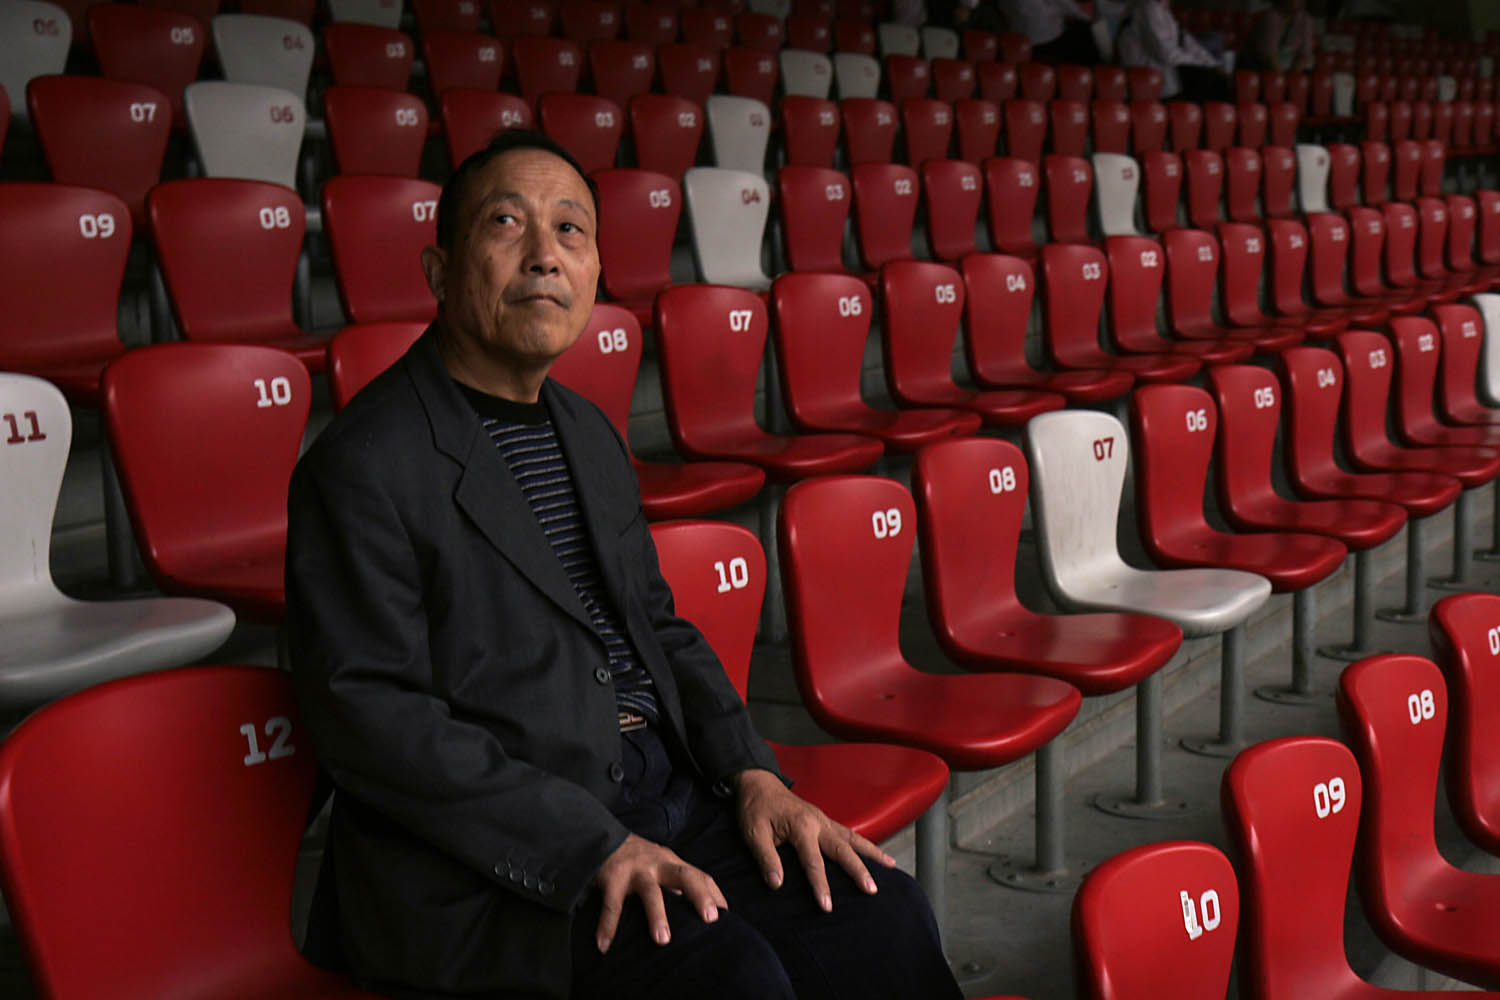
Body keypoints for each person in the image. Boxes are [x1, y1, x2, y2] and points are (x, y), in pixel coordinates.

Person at [285, 129, 963, 1000]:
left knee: (882, 914)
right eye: (506, 223)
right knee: (728, 978)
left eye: (571, 230)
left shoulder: (586, 433)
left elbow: (662, 629)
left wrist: (755, 772)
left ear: (599, 273)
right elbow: (372, 719)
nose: (544, 254)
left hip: (664, 797)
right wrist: (588, 841)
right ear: (438, 268)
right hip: (490, 856)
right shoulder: (364, 463)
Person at [1114, 0, 1231, 101]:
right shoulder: (1146, 7)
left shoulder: (1162, 8)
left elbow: (1185, 40)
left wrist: (1212, 63)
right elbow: (1168, 54)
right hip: (1146, 84)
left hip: (1167, 82)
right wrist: (1203, 64)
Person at [995, 0, 1103, 64]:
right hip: (1048, 42)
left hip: (1018, 39)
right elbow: (1078, 12)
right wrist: (1091, 17)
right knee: (1085, 31)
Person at [1241, 0, 1317, 73]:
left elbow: (1305, 52)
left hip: (1289, 64)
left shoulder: (1305, 19)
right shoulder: (1271, 16)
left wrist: (1293, 74)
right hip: (1260, 65)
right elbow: (1268, 55)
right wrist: (1283, 78)